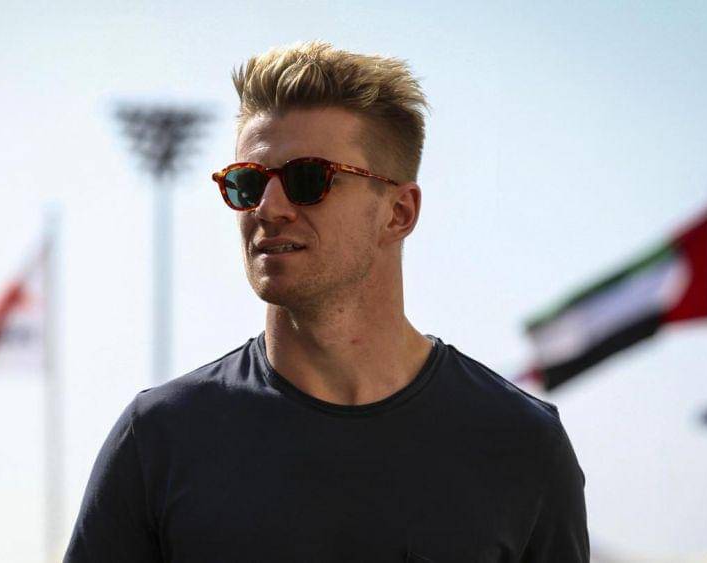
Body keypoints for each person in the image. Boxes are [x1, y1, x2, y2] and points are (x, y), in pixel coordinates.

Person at [65, 41, 589, 562]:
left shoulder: (521, 444)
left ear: (399, 212)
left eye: (307, 179)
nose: (269, 208)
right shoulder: (159, 438)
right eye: (248, 183)